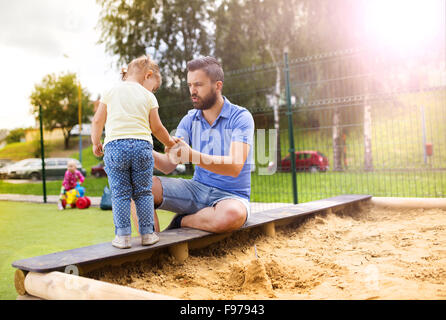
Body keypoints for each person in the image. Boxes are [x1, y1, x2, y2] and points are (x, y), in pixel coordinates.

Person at [132, 56, 254, 234]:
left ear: (217, 86)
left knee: (231, 215)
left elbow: (235, 166)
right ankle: (153, 249)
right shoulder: (189, 119)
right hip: (196, 189)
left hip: (231, 197)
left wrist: (191, 155)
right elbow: (168, 165)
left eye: (198, 85)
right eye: (190, 85)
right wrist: (140, 147)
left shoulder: (241, 117)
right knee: (140, 186)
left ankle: (183, 221)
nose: (192, 91)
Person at [91, 55, 178, 249]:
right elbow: (157, 128)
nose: (153, 90)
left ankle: (122, 237)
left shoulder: (111, 90)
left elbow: (97, 121)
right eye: (154, 86)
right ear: (148, 75)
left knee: (120, 194)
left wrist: (96, 142)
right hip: (141, 148)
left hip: (114, 147)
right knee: (143, 193)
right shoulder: (148, 96)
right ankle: (148, 234)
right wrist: (170, 142)